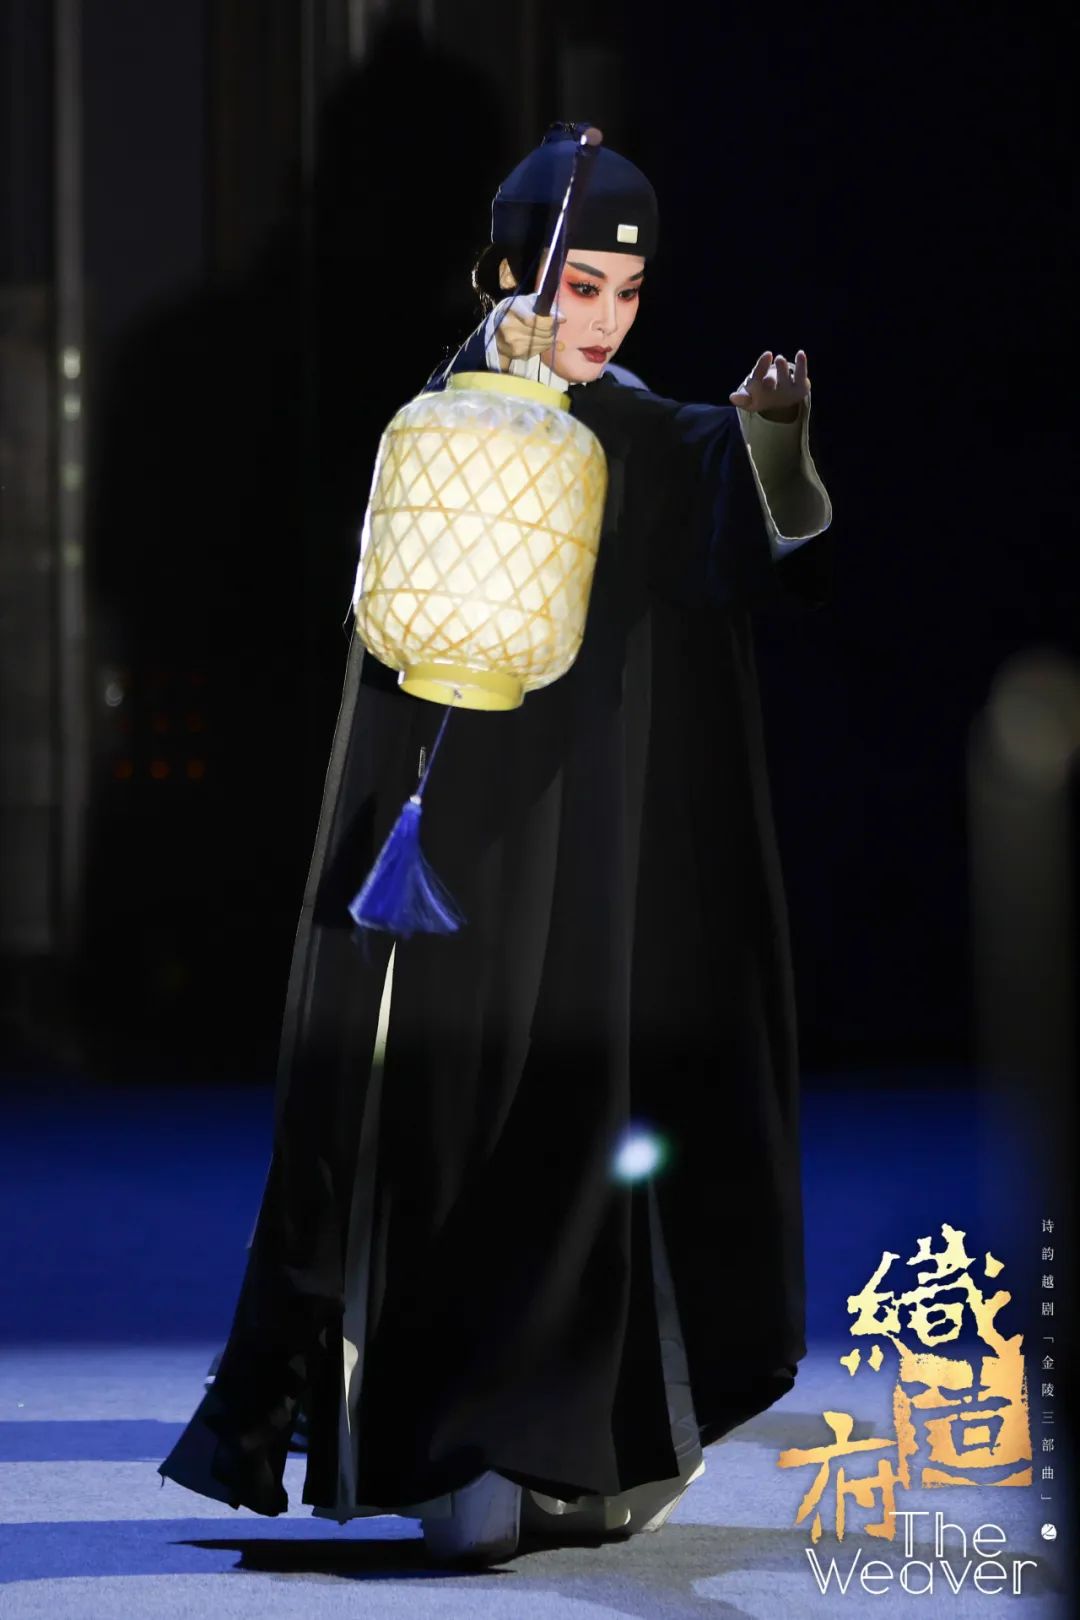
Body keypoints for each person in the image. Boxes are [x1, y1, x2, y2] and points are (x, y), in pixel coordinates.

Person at [159, 123, 833, 1566]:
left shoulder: (642, 430)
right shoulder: (446, 415)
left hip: (589, 858)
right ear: (515, 273)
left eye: (628, 295)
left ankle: (571, 1442)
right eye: (580, 288)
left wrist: (769, 434)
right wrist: (505, 380)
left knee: (580, 1124)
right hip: (452, 857)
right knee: (436, 1119)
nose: (605, 320)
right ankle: (441, 1441)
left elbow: (743, 525)